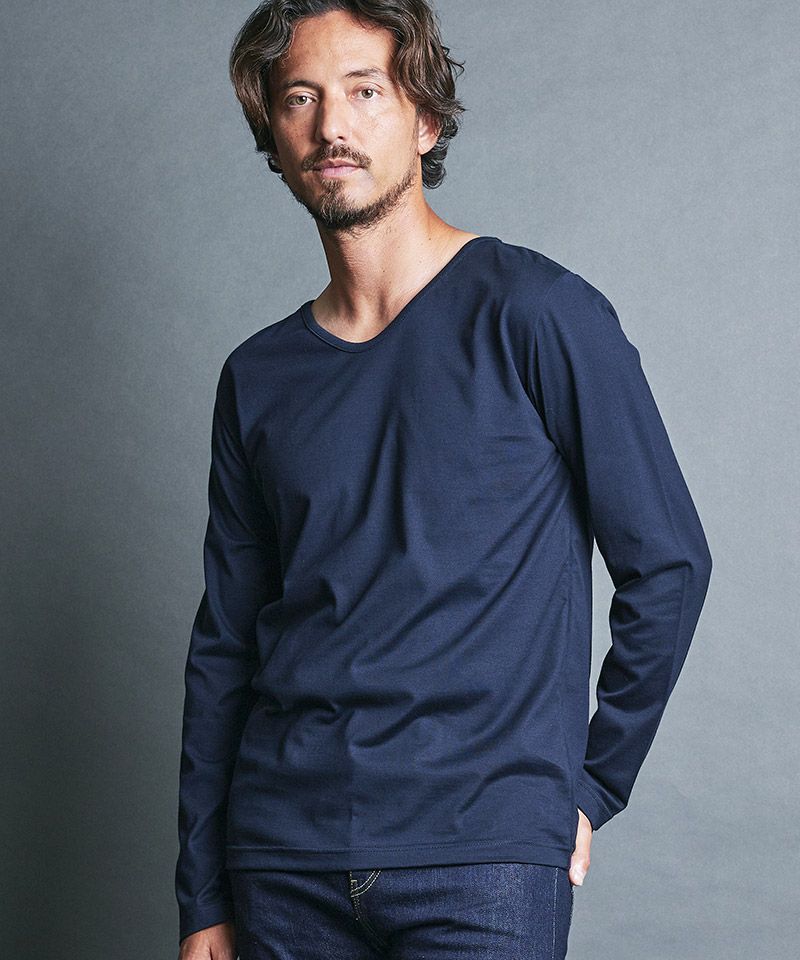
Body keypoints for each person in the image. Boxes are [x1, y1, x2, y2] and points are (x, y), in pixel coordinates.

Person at [174, 2, 713, 958]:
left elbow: (668, 562)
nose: (331, 126)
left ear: (425, 119)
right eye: (300, 98)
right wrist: (203, 893)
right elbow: (226, 642)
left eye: (364, 92)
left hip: (482, 862)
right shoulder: (257, 377)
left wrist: (592, 786)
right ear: (274, 132)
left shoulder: (538, 313)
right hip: (280, 864)